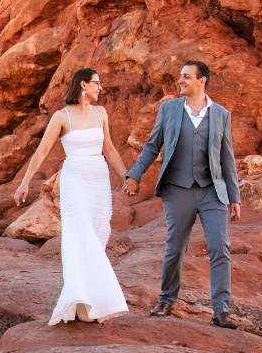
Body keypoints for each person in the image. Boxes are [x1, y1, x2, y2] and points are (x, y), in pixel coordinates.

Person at [124, 61, 241, 329]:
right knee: (175, 247)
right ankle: (166, 300)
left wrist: (234, 197)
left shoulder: (221, 114)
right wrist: (134, 174)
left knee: (219, 247)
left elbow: (227, 158)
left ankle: (221, 311)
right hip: (178, 189)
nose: (180, 81)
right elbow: (152, 147)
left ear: (202, 81)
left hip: (212, 190)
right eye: (180, 76)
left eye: (186, 77)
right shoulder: (169, 109)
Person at [14, 68, 129, 324]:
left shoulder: (101, 113)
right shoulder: (61, 116)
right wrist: (24, 183)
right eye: (97, 84)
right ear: (83, 85)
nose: (101, 88)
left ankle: (91, 302)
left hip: (98, 180)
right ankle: (78, 300)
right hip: (75, 181)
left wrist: (126, 176)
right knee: (79, 237)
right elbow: (42, 151)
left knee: (98, 236)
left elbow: (109, 149)